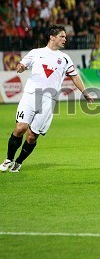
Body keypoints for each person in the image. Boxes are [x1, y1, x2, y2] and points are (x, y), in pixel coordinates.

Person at [1, 24, 93, 173]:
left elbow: (75, 76)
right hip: (31, 95)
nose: (65, 39)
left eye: (65, 37)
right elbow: (23, 64)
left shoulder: (64, 58)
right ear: (52, 37)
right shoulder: (36, 53)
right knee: (20, 128)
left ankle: (18, 162)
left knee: (31, 137)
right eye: (62, 36)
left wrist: (85, 92)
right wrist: (21, 67)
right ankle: (9, 159)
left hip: (48, 100)